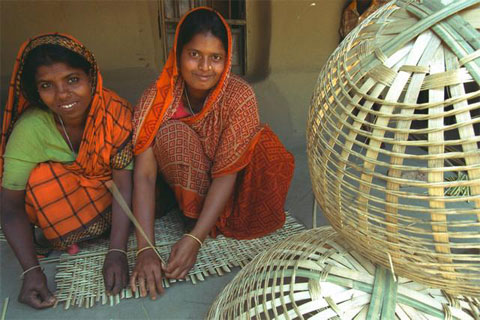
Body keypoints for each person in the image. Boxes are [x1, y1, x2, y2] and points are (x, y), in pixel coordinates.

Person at [130, 7, 295, 299]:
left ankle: (205, 223)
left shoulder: (238, 95)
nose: (204, 66)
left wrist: (195, 239)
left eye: (215, 57)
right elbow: (143, 175)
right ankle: (195, 215)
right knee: (171, 132)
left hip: (233, 190)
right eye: (194, 54)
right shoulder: (157, 99)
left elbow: (227, 172)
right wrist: (145, 248)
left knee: (264, 145)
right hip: (191, 183)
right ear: (178, 54)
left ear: (227, 58)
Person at [0, 33, 133, 309]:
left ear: (90, 77)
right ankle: (82, 231)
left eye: (73, 79)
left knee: (148, 188)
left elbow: (124, 184)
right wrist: (31, 271)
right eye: (47, 85)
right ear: (36, 91)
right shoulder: (31, 130)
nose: (62, 95)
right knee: (39, 183)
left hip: (113, 196)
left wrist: (118, 251)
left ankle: (100, 233)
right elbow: (10, 206)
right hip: (79, 199)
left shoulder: (114, 113)